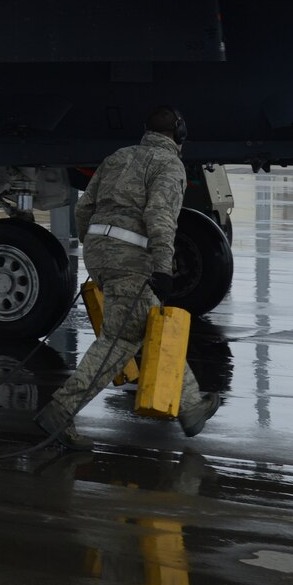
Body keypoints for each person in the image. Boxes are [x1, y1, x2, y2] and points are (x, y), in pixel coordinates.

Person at [35, 106, 221, 447]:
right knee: (120, 341)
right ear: (179, 133)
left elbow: (83, 207)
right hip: (132, 258)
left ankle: (191, 406)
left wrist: (96, 249)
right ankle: (60, 410)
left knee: (148, 325)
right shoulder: (169, 164)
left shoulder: (118, 156)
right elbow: (160, 216)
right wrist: (164, 267)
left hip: (102, 252)